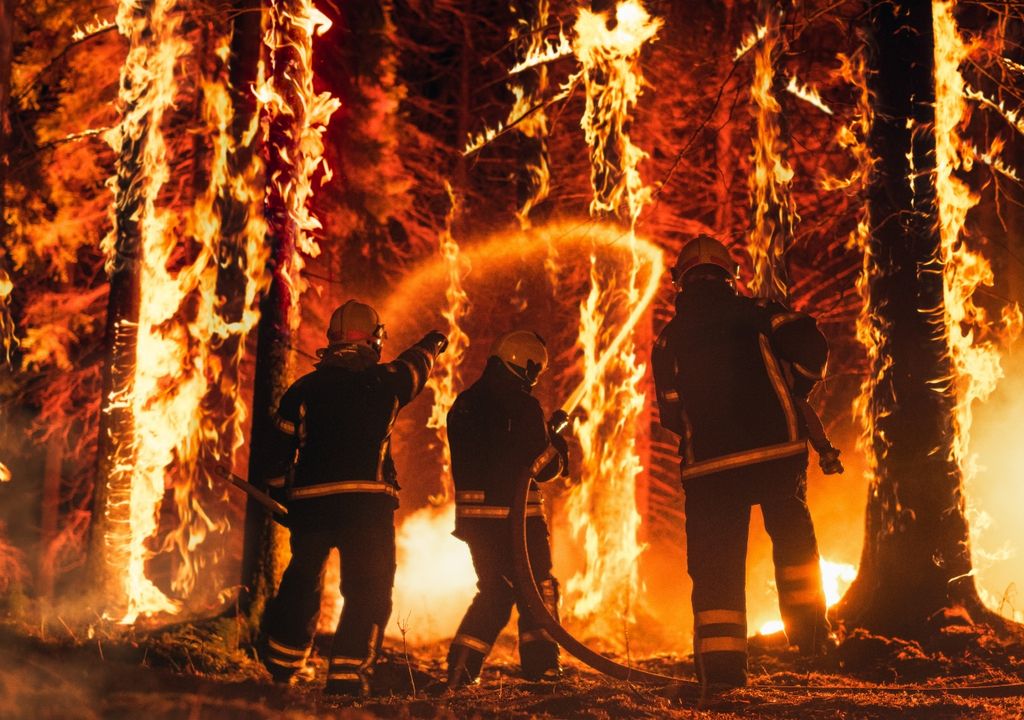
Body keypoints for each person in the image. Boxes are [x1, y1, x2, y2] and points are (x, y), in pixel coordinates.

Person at [651, 235, 835, 697]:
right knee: (794, 549)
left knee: (716, 569)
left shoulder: (669, 338)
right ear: (731, 276)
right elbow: (812, 346)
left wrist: (706, 431)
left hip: (709, 469)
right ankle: (812, 642)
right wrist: (797, 393)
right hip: (777, 454)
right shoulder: (759, 314)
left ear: (681, 283)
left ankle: (723, 675)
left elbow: (670, 411)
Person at [259, 299, 447, 696]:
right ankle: (346, 676)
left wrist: (280, 493)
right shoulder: (386, 381)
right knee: (368, 589)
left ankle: (281, 666)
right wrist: (433, 343)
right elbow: (417, 364)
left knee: (302, 582)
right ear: (375, 341)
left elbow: (277, 451)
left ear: (332, 342)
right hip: (366, 506)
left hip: (310, 505)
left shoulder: (303, 390)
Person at [445, 330, 568, 688]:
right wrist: (556, 441)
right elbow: (542, 467)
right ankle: (542, 667)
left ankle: (461, 669)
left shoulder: (464, 405)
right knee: (538, 587)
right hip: (518, 520)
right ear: (527, 366)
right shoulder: (523, 407)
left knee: (495, 592)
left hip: (476, 523)